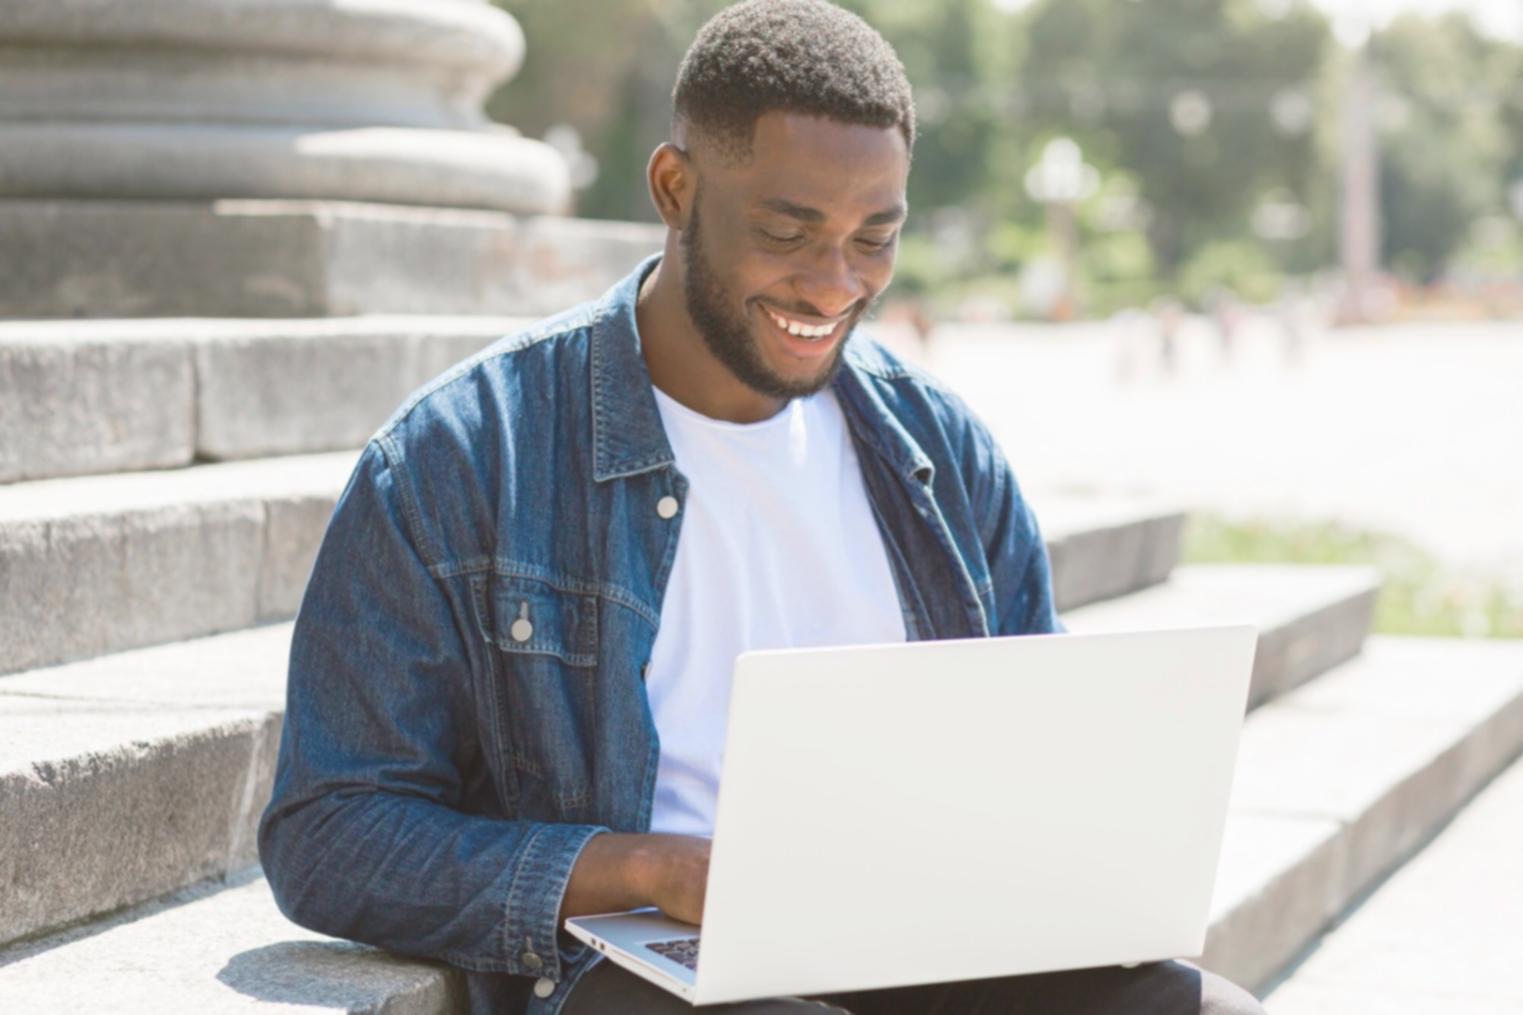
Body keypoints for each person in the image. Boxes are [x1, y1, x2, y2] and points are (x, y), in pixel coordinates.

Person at [258, 3, 1267, 1013]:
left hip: (923, 944)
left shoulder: (941, 453)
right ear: (674, 188)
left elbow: (1035, 778)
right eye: (787, 230)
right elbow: (330, 830)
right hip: (642, 976)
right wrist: (650, 870)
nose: (833, 284)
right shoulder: (467, 455)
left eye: (874, 239)